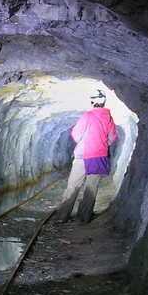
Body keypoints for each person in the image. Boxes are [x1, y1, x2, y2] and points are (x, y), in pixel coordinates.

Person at [54, 89, 118, 224]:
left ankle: (62, 216)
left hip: (83, 155)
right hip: (99, 156)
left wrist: (85, 143)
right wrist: (101, 145)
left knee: (73, 185)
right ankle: (84, 217)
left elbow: (76, 134)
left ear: (92, 102)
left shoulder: (88, 116)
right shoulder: (109, 118)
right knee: (91, 187)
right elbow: (112, 137)